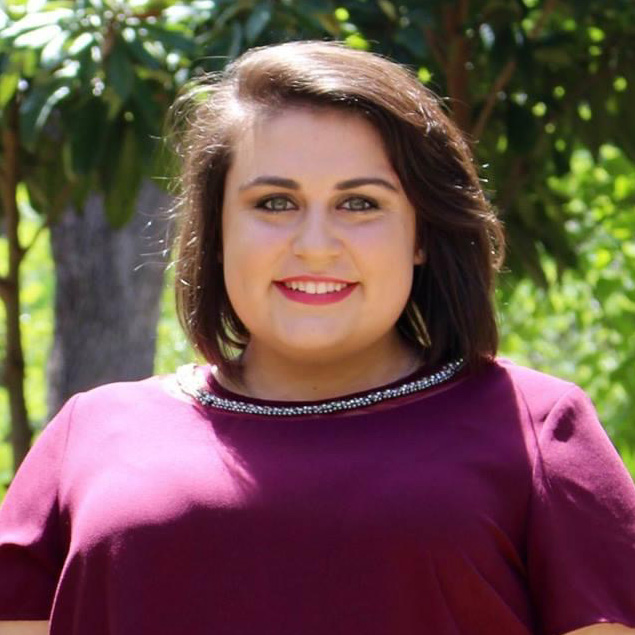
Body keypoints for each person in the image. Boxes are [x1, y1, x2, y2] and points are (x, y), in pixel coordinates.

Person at [0, 40, 634, 635]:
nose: (314, 245)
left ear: (421, 235)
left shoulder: (542, 432)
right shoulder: (90, 432)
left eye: (360, 204)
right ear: (216, 233)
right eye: (275, 203)